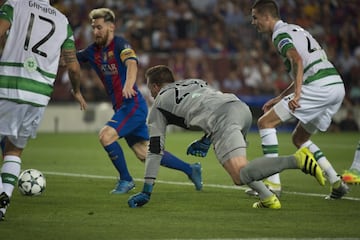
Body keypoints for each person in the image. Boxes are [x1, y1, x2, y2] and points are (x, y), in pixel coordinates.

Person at [127, 65, 325, 209]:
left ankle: (298, 160)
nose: (151, 94)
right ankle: (268, 198)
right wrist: (206, 140)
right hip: (240, 108)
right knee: (239, 166)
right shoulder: (194, 81)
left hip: (223, 120)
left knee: (240, 175)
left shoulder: (159, 104)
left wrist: (147, 190)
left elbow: (154, 149)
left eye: (149, 88)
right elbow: (205, 105)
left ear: (154, 87)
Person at [76, 8, 202, 194]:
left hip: (132, 105)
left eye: (99, 27)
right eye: (93, 28)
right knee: (145, 152)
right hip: (122, 107)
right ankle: (190, 169)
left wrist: (128, 84)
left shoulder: (120, 44)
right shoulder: (91, 51)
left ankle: (126, 180)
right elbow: (69, 60)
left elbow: (132, 63)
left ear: (111, 27)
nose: (95, 32)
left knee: (106, 135)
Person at [247, 0, 349, 199]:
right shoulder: (296, 30)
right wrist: (280, 97)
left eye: (255, 17)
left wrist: (298, 94)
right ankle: (337, 182)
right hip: (335, 85)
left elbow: (298, 60)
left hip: (318, 87)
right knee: (299, 138)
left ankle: (273, 183)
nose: (253, 22)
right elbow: (303, 67)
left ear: (267, 17)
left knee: (265, 122)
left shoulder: (279, 34)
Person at [0, 0, 87, 221]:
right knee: (14, 150)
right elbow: (73, 66)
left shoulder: (15, 5)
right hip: (39, 95)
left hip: (8, 85)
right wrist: (76, 90)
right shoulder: (62, 20)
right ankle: (2, 204)